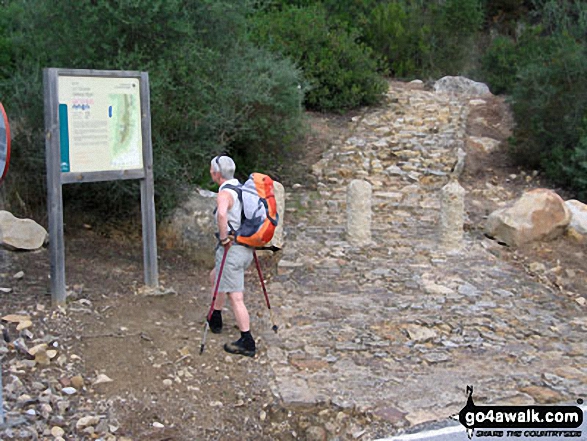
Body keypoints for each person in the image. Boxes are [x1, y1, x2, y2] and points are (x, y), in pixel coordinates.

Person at [207, 155, 256, 357]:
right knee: (215, 276)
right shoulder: (242, 187)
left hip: (233, 250)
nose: (210, 172)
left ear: (217, 173)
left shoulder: (225, 193)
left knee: (236, 297)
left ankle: (247, 341)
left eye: (211, 170)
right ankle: (215, 316)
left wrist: (225, 238)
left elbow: (221, 215)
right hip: (246, 248)